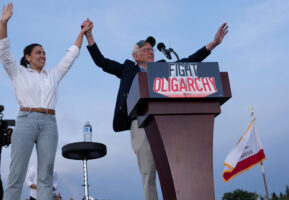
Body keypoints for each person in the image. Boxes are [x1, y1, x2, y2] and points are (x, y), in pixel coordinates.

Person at [82, 18, 228, 200]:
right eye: (146, 49)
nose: (151, 52)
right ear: (136, 55)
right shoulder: (128, 69)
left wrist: (212, 44)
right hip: (140, 124)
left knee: (175, 168)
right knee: (148, 172)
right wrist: (89, 36)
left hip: (166, 124)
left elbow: (188, 62)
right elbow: (102, 61)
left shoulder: (162, 68)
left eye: (152, 49)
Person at [0, 3, 93, 200]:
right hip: (26, 120)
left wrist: (82, 34)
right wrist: (3, 23)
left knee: (46, 177)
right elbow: (5, 53)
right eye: (38, 52)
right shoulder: (18, 72)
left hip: (49, 123)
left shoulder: (53, 75)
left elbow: (70, 56)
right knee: (17, 173)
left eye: (44, 52)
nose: (43, 55)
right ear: (28, 57)